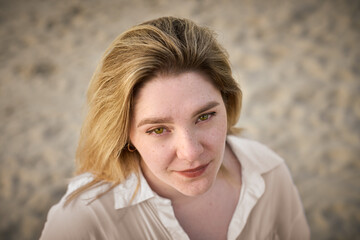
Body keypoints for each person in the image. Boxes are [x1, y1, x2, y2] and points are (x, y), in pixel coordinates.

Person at [40, 16, 310, 240]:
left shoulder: (268, 172)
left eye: (204, 116)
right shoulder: (83, 220)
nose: (191, 152)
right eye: (158, 129)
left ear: (227, 105)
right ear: (125, 134)